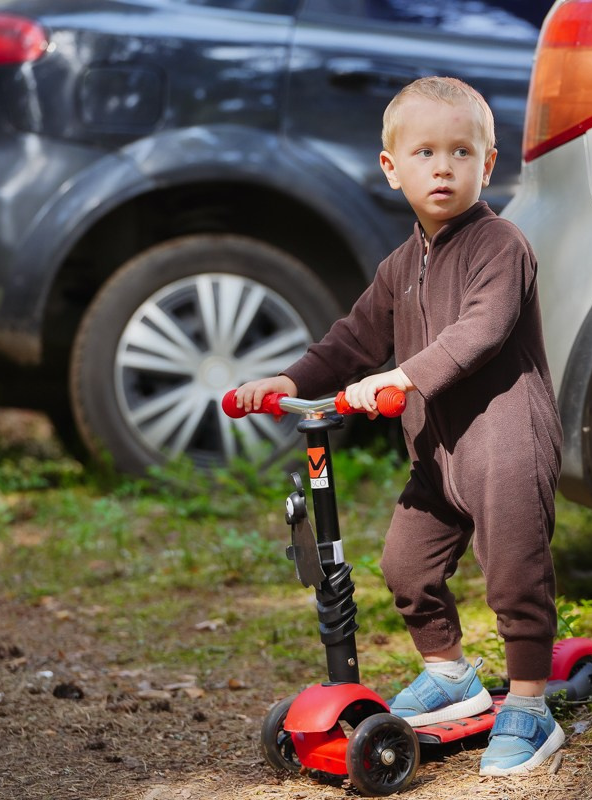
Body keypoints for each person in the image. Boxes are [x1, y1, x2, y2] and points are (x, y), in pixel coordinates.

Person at [231, 76, 564, 776]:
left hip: (504, 442)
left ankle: (530, 707)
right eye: (423, 153)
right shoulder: (398, 266)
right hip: (436, 451)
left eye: (460, 152)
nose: (442, 167)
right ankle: (449, 673)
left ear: (487, 163)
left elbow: (482, 329)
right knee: (405, 566)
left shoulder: (501, 245)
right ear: (392, 168)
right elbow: (352, 341)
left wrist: (405, 376)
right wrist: (291, 381)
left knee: (513, 575)